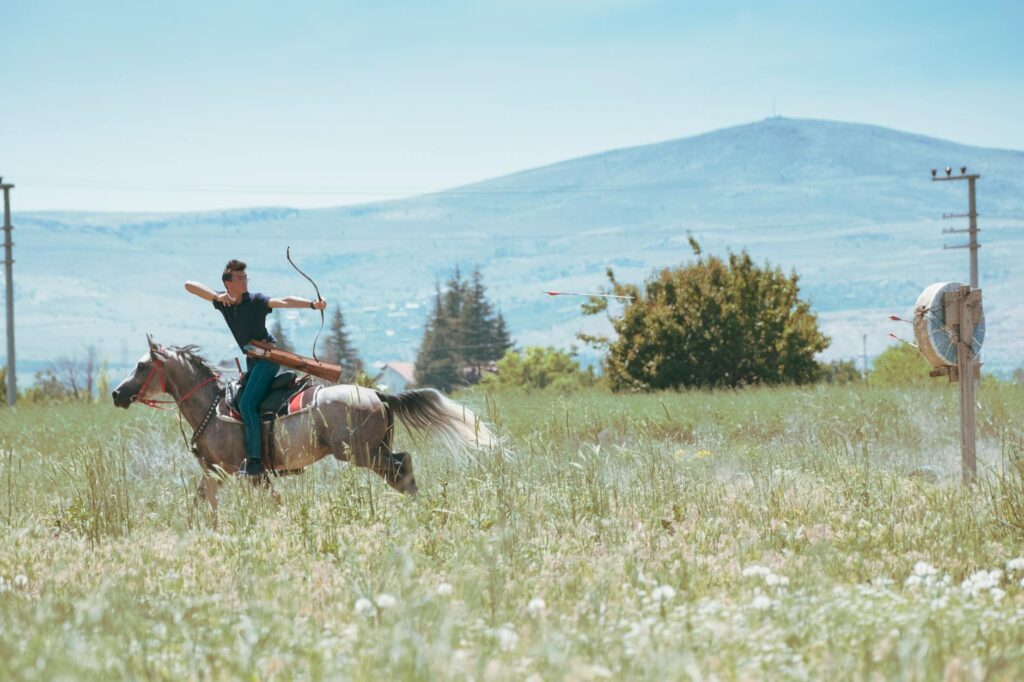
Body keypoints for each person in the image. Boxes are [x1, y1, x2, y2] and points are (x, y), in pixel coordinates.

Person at [185, 259, 327, 476]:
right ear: (228, 283)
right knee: (255, 404)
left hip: (267, 359)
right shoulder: (224, 303)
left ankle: (255, 461)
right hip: (253, 362)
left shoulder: (256, 301)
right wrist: (217, 297)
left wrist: (311, 304)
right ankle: (276, 456)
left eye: (245, 277)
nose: (244, 281)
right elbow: (189, 285)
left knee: (248, 404)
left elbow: (284, 302)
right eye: (239, 278)